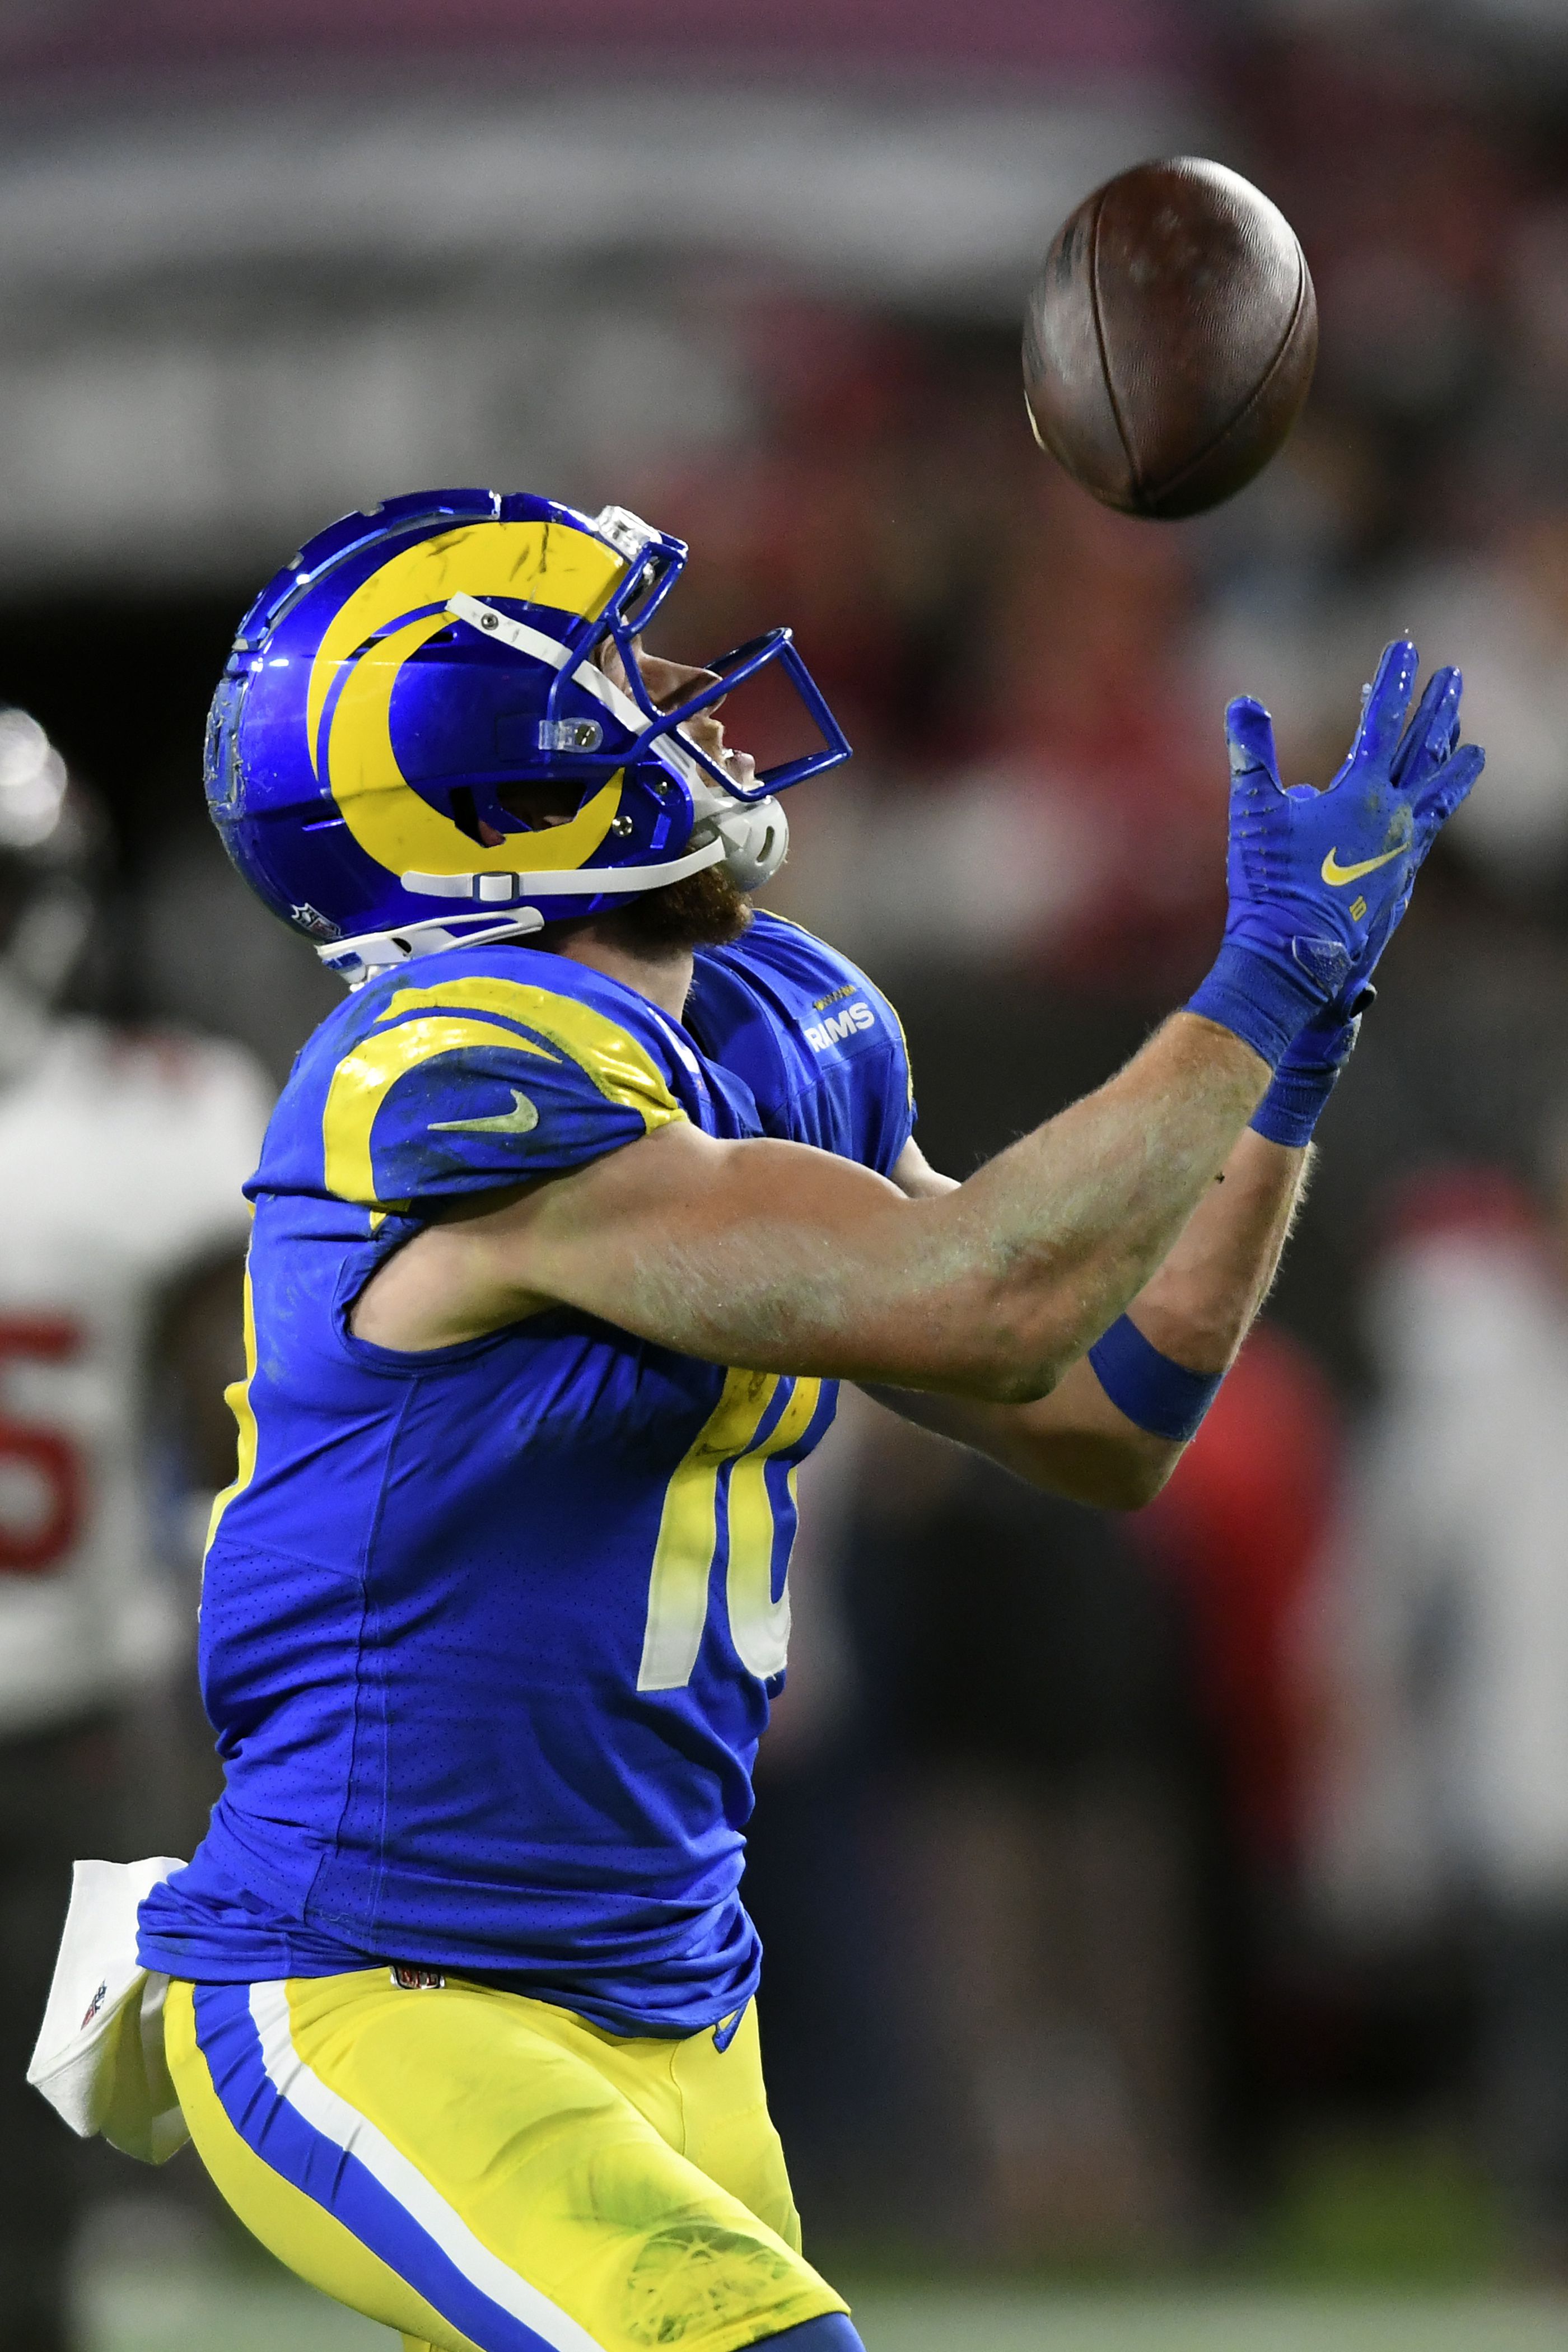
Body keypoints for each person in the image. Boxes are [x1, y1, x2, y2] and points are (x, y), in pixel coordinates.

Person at [115, 489, 1478, 2352]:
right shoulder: (437, 1074)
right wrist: (1251, 990)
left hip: (676, 2003)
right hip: (390, 1988)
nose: (690, 696)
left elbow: (1101, 1404)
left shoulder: (762, 1030)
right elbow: (986, 1293)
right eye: (619, 667)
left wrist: (1291, 1066)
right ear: (490, 779)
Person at [0, 707, 270, 2352]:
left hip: (85, 1730)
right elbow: (256, 1393)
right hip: (84, 1717)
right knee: (56, 2209)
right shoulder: (160, 1126)